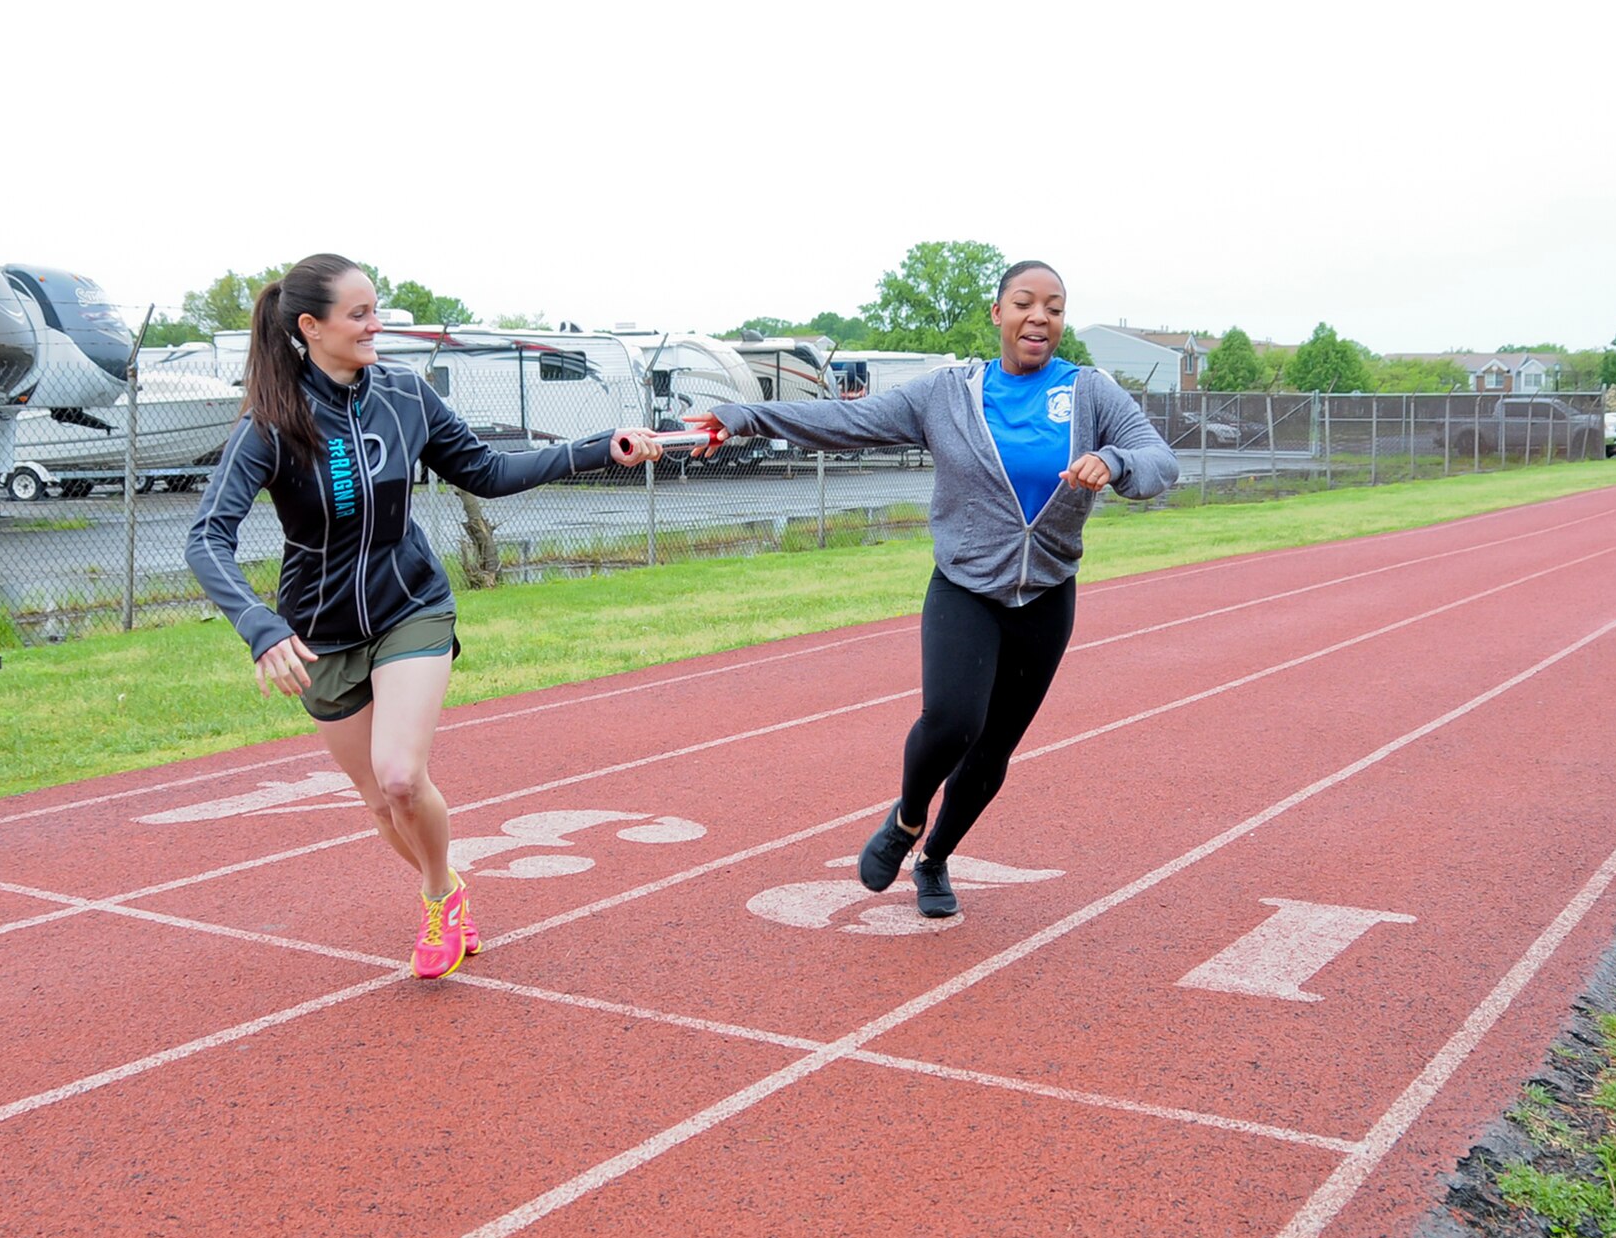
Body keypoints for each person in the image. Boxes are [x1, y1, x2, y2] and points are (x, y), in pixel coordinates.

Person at [185, 254, 662, 979]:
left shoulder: (405, 394)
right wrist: (262, 627)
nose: (376, 325)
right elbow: (205, 536)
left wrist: (599, 447)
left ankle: (438, 894)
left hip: (412, 604)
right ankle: (451, 885)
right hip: (319, 630)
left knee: (402, 775)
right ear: (311, 327)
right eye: (359, 314)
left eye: (377, 309)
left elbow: (488, 471)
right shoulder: (272, 422)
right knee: (381, 802)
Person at [680, 261, 1178, 918]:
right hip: (965, 587)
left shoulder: (1090, 393)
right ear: (997, 313)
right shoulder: (947, 393)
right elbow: (843, 422)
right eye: (1025, 303)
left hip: (1046, 595)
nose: (1040, 318)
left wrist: (1114, 460)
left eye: (1054, 308)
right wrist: (743, 415)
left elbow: (1158, 461)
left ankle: (935, 857)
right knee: (952, 723)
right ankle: (908, 818)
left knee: (994, 750)